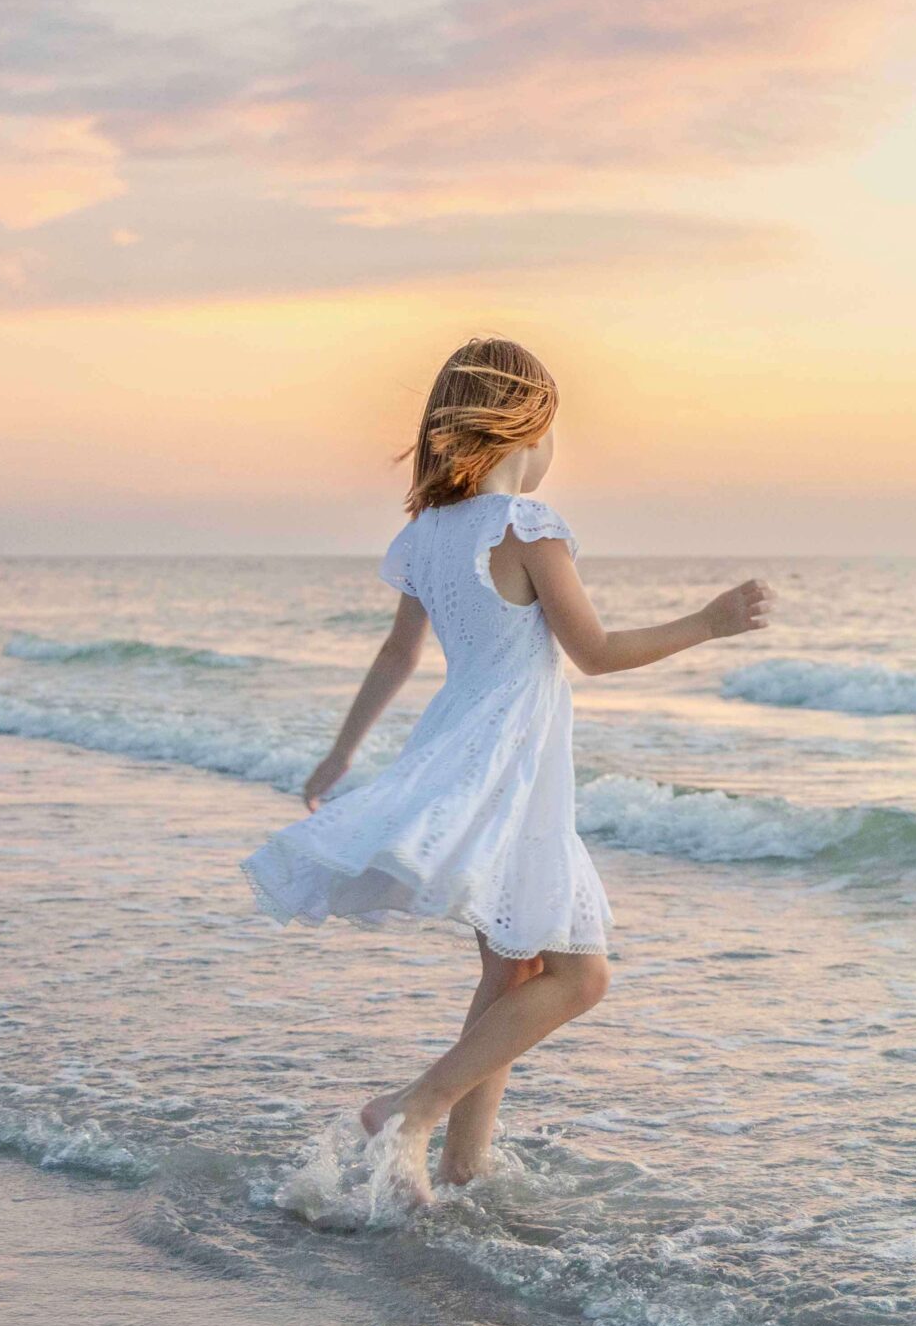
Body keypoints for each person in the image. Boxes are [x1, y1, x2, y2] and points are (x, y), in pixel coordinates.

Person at [241, 335, 772, 1205]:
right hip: (512, 766)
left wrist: (342, 751)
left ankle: (462, 1166)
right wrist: (707, 623)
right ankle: (412, 1110)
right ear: (526, 427)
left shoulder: (427, 535)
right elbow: (594, 651)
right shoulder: (528, 526)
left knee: (511, 968)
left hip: (463, 748)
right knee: (580, 974)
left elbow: (398, 652)